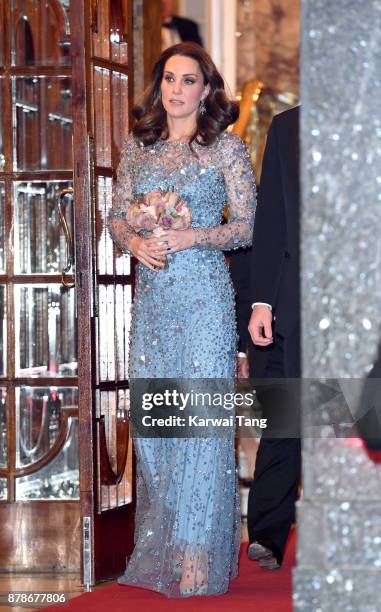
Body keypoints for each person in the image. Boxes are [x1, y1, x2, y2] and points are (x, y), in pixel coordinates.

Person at [107, 43, 256, 598]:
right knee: (159, 427)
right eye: (169, 79)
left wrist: (192, 235)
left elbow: (245, 228)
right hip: (154, 301)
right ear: (159, 86)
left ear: (206, 89)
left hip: (204, 301)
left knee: (199, 426)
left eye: (188, 80)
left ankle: (196, 553)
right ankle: (168, 543)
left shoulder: (226, 151)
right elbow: (116, 216)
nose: (176, 89)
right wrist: (135, 240)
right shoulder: (137, 150)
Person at [245, 106, 301, 570]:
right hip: (293, 302)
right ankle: (267, 532)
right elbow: (272, 220)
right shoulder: (287, 127)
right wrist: (262, 299)